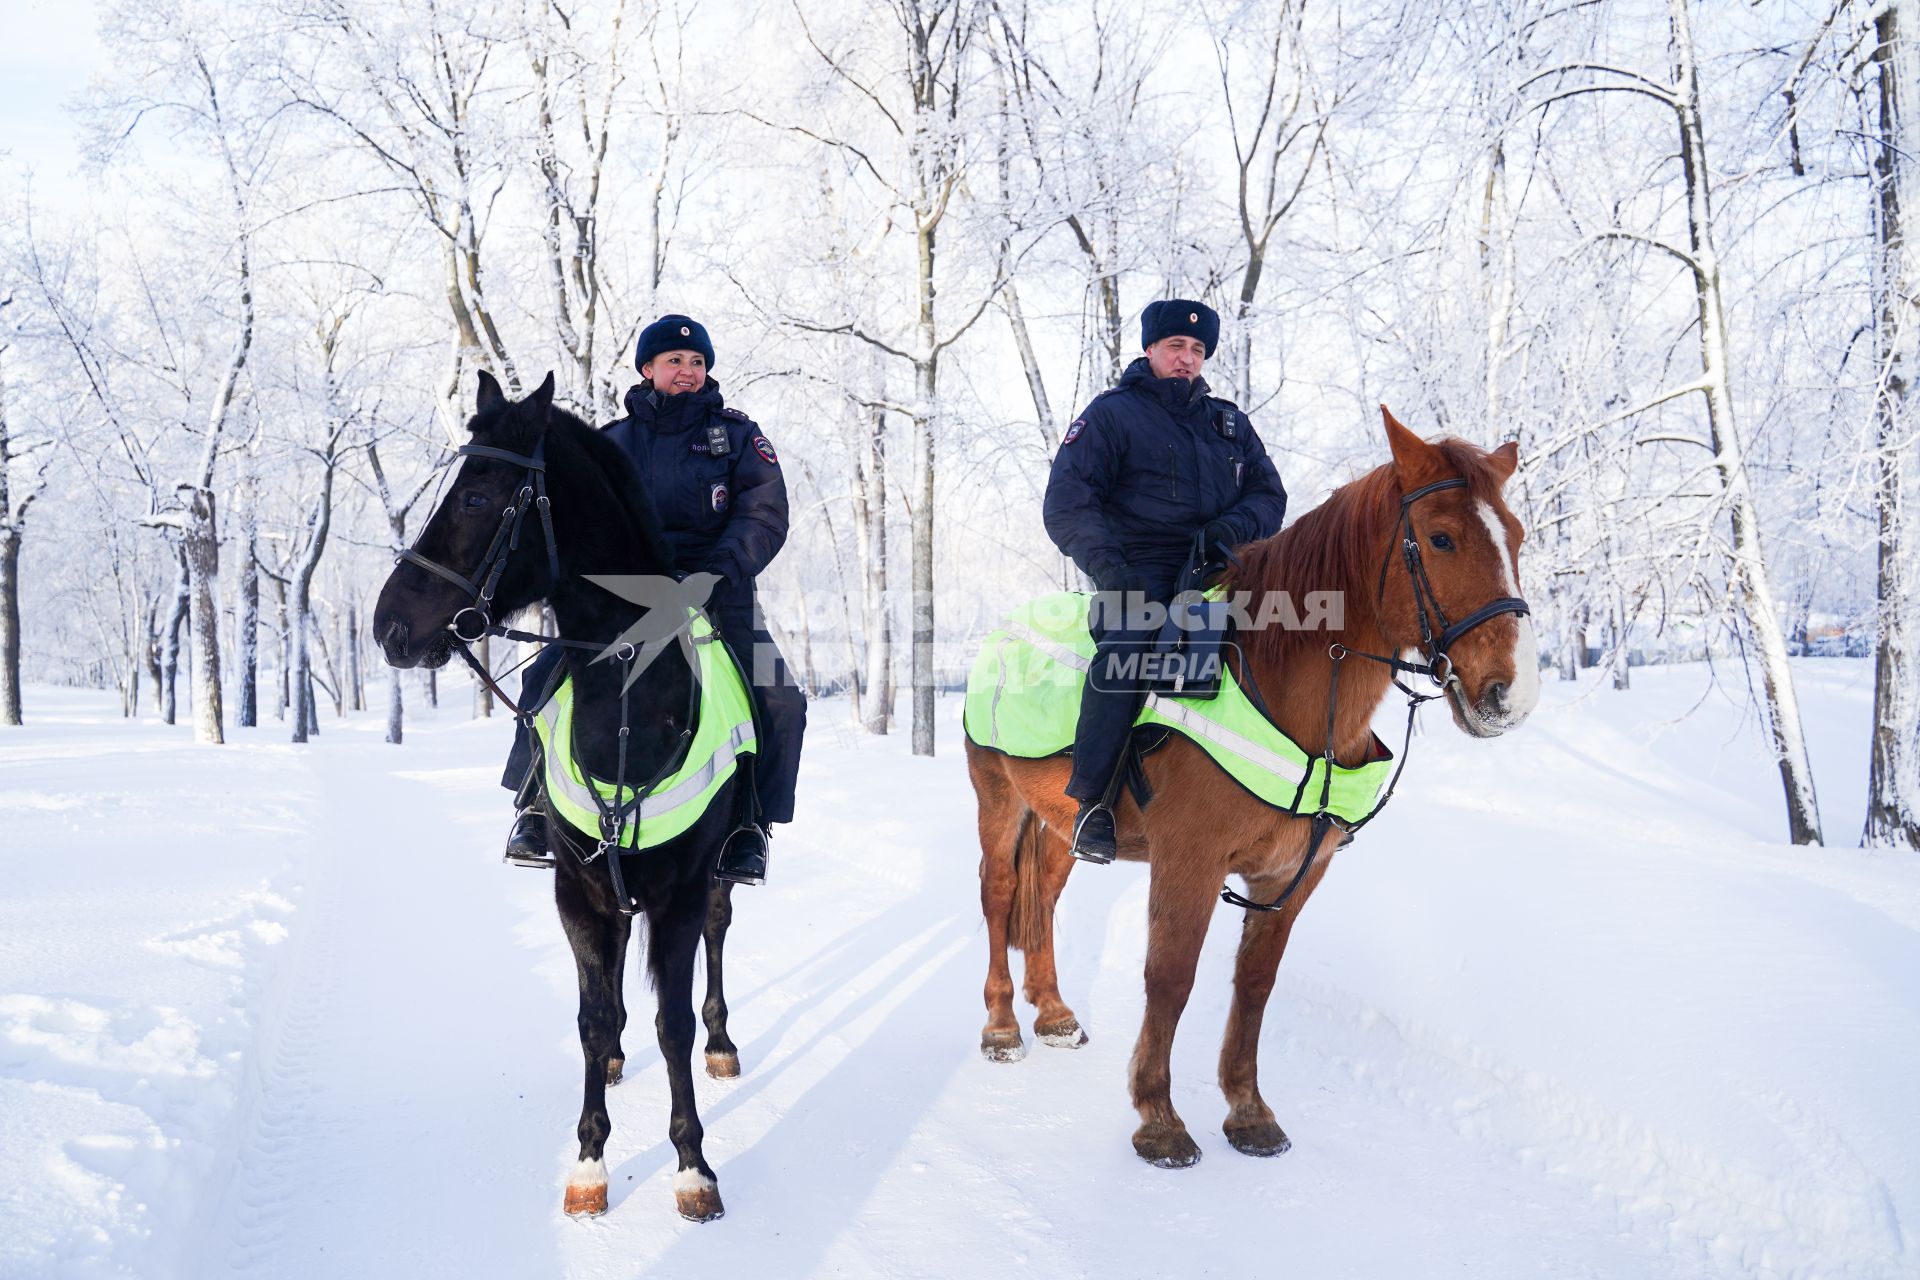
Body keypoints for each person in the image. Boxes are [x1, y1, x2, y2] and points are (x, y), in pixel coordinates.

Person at [500, 314, 808, 886]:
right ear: (647, 369)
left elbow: (764, 515)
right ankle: (535, 808)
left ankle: (750, 828)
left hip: (721, 597)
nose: (688, 372)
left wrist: (713, 574)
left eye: (697, 363)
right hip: (624, 602)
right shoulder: (608, 443)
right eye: (675, 362)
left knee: (783, 699)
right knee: (540, 681)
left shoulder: (739, 437)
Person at [1041, 299, 1288, 863]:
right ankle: (1094, 804)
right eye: (1176, 346)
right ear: (1150, 348)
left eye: (1198, 350)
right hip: (1137, 575)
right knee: (1128, 648)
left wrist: (1229, 529)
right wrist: (1113, 570)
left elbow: (1269, 496)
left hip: (1220, 569)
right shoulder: (1112, 416)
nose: (1187, 359)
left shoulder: (1229, 425)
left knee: (1290, 633)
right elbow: (1067, 503)